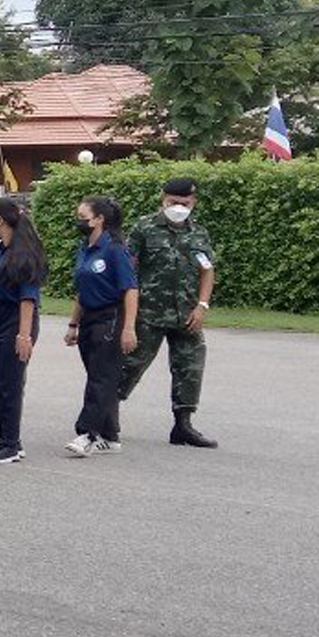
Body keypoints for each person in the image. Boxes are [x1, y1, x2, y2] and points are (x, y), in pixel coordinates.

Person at [120, 177, 220, 448]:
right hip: (149, 313)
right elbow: (128, 268)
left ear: (193, 202)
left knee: (190, 368)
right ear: (163, 200)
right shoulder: (144, 227)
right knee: (129, 366)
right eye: (173, 202)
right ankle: (106, 414)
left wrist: (202, 305)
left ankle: (183, 425)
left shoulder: (199, 233)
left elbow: (207, 270)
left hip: (186, 313)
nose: (179, 207)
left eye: (184, 203)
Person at [0, 196, 44, 464]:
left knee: (9, 383)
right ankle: (5, 437)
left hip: (16, 319)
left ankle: (10, 442)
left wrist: (23, 335)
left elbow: (28, 298)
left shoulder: (24, 253)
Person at [64, 195, 138, 458]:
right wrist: (74, 323)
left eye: (83, 217)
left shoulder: (115, 249)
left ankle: (88, 433)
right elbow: (83, 290)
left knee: (101, 378)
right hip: (90, 317)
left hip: (111, 317)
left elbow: (130, 289)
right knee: (99, 376)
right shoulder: (85, 247)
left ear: (99, 219)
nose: (79, 222)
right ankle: (110, 434)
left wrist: (129, 328)